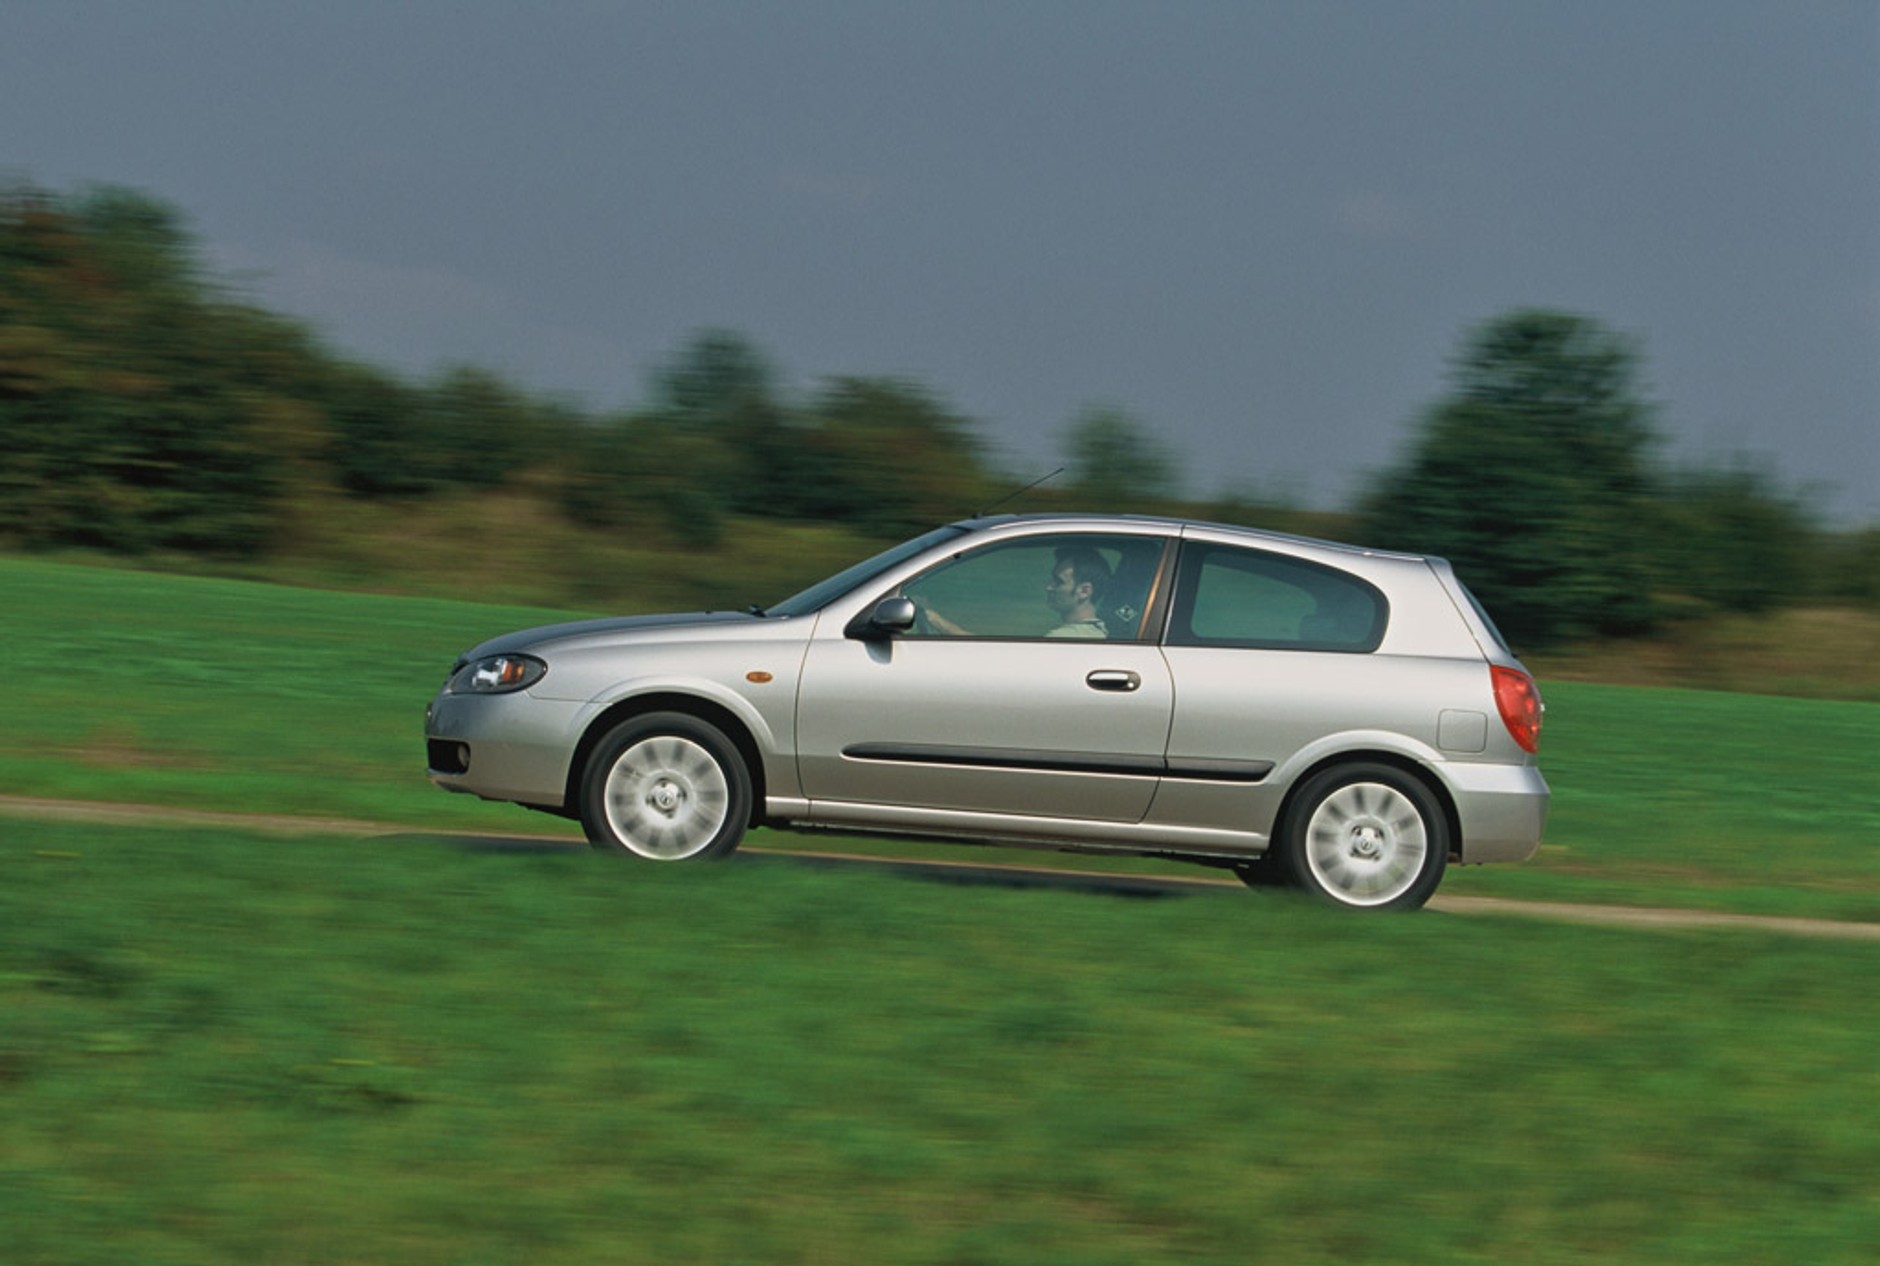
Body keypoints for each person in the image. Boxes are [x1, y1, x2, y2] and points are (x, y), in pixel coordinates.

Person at [1043, 546, 1111, 638]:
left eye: (1059, 582)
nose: (1049, 588)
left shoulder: (1060, 637)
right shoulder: (1099, 633)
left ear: (1084, 591)